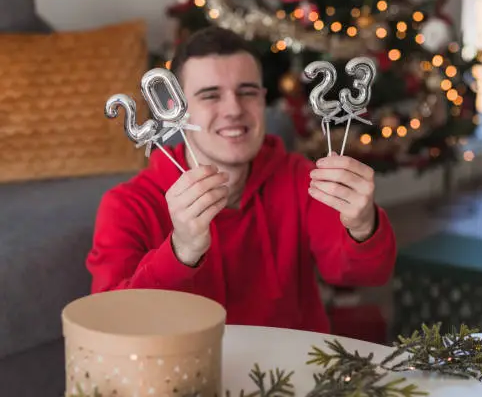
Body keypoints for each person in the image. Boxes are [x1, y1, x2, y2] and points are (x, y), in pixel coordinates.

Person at [86, 26, 397, 334]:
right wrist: (181, 251)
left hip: (295, 370)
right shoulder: (126, 205)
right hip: (185, 375)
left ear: (263, 100)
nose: (234, 110)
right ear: (176, 109)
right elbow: (112, 322)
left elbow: (361, 274)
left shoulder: (300, 177)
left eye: (247, 92)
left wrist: (363, 225)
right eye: (210, 95)